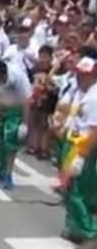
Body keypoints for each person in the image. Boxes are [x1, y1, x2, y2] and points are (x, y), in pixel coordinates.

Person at [59, 57, 97, 245]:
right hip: (71, 142)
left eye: (85, 75)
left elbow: (94, 131)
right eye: (79, 74)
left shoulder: (94, 97)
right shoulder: (80, 92)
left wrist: (80, 157)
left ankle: (87, 230)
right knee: (68, 189)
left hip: (82, 146)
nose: (80, 78)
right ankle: (74, 226)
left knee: (76, 190)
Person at [0, 59, 31, 190]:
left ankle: (8, 174)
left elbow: (27, 100)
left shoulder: (18, 76)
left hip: (15, 110)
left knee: (10, 139)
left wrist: (24, 124)